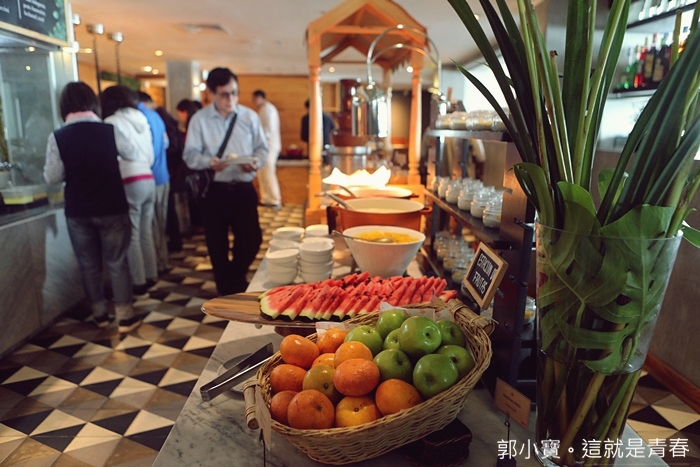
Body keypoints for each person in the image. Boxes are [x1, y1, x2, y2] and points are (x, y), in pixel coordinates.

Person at [43, 81, 140, 333]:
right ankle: (125, 316)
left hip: (79, 210)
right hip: (112, 206)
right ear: (92, 102)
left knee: (89, 265)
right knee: (117, 262)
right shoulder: (109, 130)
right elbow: (132, 153)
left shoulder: (58, 136)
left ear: (64, 106)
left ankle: (100, 314)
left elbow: (52, 177)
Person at [183, 67, 268, 296]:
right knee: (217, 246)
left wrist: (255, 163)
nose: (230, 99)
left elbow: (262, 149)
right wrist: (209, 162)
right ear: (211, 93)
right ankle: (226, 291)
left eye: (234, 93)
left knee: (251, 240)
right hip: (214, 191)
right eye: (224, 94)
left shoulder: (249, 117)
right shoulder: (199, 120)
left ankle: (235, 278)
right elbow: (189, 156)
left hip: (243, 188)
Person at [101, 85, 158, 299]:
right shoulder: (141, 118)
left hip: (131, 179)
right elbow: (149, 152)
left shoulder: (111, 122)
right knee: (146, 232)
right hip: (149, 177)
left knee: (132, 235)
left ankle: (139, 283)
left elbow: (121, 152)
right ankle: (151, 275)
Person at [137, 91, 171, 275]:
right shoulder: (156, 116)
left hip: (150, 177)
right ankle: (162, 260)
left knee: (152, 226)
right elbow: (166, 143)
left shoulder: (140, 117)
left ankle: (156, 265)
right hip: (163, 175)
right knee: (161, 223)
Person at [252, 89, 282, 207]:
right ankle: (265, 198)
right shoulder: (263, 109)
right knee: (262, 172)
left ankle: (275, 199)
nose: (254, 101)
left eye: (255, 98)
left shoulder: (269, 109)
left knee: (269, 171)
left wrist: (259, 141)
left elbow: (268, 130)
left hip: (270, 146)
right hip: (263, 146)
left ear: (260, 97)